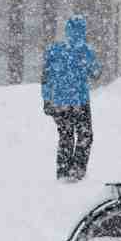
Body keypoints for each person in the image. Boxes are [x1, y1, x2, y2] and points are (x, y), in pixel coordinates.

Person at [42, 16, 102, 182]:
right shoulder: (86, 51)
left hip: (59, 102)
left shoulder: (54, 50)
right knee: (85, 135)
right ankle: (77, 171)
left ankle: (63, 171)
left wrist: (47, 100)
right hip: (79, 101)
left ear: (67, 30)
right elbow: (96, 74)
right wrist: (92, 62)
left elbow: (45, 78)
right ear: (83, 31)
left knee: (65, 136)